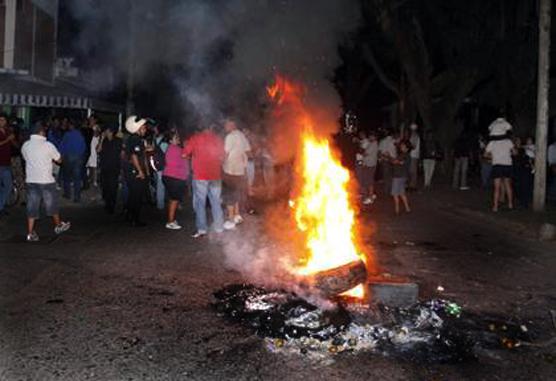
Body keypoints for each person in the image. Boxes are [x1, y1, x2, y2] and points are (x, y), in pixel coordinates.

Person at [21, 123, 71, 242]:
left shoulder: (25, 145)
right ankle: (58, 226)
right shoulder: (48, 145)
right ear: (41, 133)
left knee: (32, 206)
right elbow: (58, 160)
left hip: (31, 180)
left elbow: (25, 158)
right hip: (46, 180)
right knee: (51, 204)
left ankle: (30, 233)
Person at [182, 122, 225, 238]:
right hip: (215, 175)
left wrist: (192, 154)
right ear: (211, 127)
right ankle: (219, 228)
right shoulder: (217, 139)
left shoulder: (195, 138)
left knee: (200, 203)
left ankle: (202, 230)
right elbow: (223, 156)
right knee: (216, 202)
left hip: (200, 176)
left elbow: (184, 154)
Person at [222, 119, 251, 230]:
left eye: (226, 124)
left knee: (229, 194)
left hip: (230, 169)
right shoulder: (242, 136)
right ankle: (237, 215)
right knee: (236, 193)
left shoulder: (230, 137)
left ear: (231, 125)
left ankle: (230, 219)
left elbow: (226, 153)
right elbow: (248, 151)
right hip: (240, 170)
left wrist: (222, 163)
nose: (225, 127)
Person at [124, 116, 149, 227]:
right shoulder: (135, 139)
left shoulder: (133, 139)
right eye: (143, 128)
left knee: (133, 194)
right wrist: (140, 171)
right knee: (136, 195)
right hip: (134, 171)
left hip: (132, 170)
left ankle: (130, 216)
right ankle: (135, 219)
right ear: (138, 128)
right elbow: (134, 155)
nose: (145, 130)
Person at [161, 131, 189, 230]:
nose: (178, 139)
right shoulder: (176, 149)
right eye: (175, 138)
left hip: (170, 176)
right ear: (170, 140)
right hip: (174, 177)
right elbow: (185, 158)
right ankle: (170, 221)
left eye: (177, 137)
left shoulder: (171, 149)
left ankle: (171, 219)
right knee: (174, 199)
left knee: (172, 198)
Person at [485, 132, 515, 212]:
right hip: (507, 165)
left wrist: (494, 156)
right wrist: (508, 153)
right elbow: (515, 152)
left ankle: (495, 207)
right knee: (508, 185)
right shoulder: (508, 141)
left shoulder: (492, 142)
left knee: (497, 187)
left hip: (497, 165)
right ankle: (510, 204)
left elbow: (485, 154)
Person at [97, 125, 122, 214]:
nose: (104, 132)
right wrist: (101, 139)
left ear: (110, 131)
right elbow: (98, 150)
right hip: (104, 167)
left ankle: (111, 205)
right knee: (105, 186)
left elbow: (121, 154)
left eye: (106, 130)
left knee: (113, 187)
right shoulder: (104, 141)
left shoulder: (118, 141)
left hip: (114, 167)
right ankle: (107, 204)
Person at [60, 120, 87, 202]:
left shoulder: (67, 134)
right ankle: (77, 197)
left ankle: (67, 194)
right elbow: (84, 148)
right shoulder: (81, 135)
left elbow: (62, 147)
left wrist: (61, 156)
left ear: (72, 126)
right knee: (77, 179)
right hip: (78, 158)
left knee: (66, 177)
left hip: (68, 157)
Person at [0, 113, 17, 216]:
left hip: (6, 163)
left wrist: (13, 139)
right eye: (0, 120)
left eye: (3, 120)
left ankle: (1, 206)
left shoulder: (7, 132)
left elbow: (14, 145)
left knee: (8, 186)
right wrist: (8, 139)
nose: (1, 121)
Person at [356, 131, 378, 204]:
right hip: (368, 164)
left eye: (371, 136)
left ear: (374, 137)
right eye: (370, 136)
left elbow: (365, 153)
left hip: (370, 165)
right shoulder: (372, 144)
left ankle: (369, 197)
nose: (370, 137)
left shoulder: (373, 144)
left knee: (368, 181)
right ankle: (370, 196)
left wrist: (361, 150)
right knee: (368, 181)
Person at [391, 140, 411, 215]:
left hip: (399, 176)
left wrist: (394, 160)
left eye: (403, 146)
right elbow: (395, 161)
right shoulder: (403, 154)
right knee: (402, 193)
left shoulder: (406, 155)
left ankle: (397, 210)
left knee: (395, 194)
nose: (401, 147)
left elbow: (400, 162)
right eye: (401, 146)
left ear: (407, 148)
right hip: (401, 176)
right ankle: (407, 208)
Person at [513, 137, 533, 208]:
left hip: (524, 170)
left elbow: (528, 158)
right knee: (518, 187)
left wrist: (530, 164)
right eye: (517, 140)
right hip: (517, 170)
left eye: (519, 140)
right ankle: (522, 202)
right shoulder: (513, 149)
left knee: (525, 186)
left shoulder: (523, 149)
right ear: (515, 142)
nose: (519, 142)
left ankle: (525, 203)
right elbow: (514, 158)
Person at [378, 129, 397, 193]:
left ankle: (386, 190)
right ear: (392, 134)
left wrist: (380, 159)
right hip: (393, 160)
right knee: (392, 175)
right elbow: (397, 150)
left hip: (385, 160)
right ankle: (392, 190)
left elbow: (379, 152)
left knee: (386, 176)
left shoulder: (382, 141)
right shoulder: (394, 141)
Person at [408, 123, 421, 190]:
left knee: (413, 171)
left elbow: (413, 146)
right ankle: (411, 184)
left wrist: (407, 147)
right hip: (414, 155)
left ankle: (413, 185)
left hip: (413, 155)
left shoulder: (414, 135)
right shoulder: (414, 135)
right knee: (412, 170)